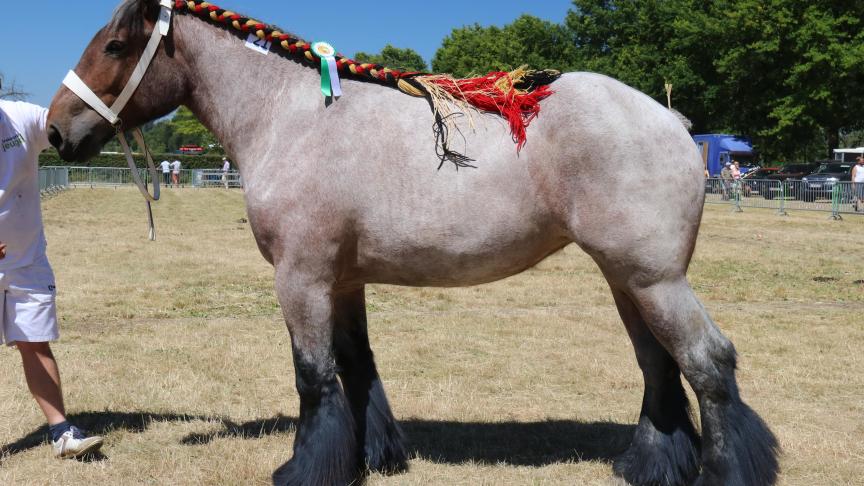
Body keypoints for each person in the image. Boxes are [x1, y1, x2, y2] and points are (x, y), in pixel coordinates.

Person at [0, 99, 104, 458]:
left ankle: (62, 431)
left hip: (27, 259)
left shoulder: (18, 117)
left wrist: (118, 115)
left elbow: (65, 126)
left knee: (35, 341)